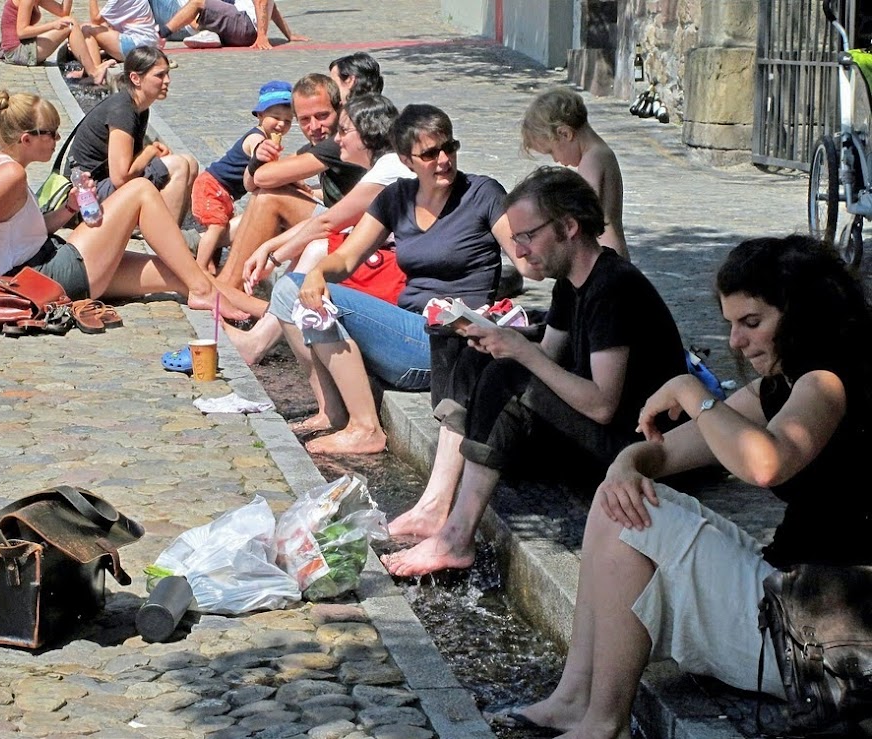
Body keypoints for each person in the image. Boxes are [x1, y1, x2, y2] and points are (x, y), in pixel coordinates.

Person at [496, 235, 872, 739]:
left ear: (802, 314)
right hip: (797, 605)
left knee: (624, 512)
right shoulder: (783, 385)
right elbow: (669, 451)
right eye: (731, 324)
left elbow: (766, 464)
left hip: (823, 635)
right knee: (623, 499)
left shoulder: (827, 382)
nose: (736, 341)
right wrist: (629, 463)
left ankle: (601, 721)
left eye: (752, 323)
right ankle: (575, 700)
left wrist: (691, 391)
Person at [382, 166, 686, 577]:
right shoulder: (571, 282)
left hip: (631, 449)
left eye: (527, 236)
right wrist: (492, 335)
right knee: (479, 356)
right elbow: (549, 352)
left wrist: (519, 352)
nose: (519, 250)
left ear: (569, 227)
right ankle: (438, 505)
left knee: (509, 376)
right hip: (594, 432)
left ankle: (456, 537)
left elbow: (602, 405)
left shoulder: (614, 288)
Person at [266, 104, 535, 455]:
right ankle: (333, 411)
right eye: (429, 154)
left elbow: (526, 260)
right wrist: (317, 272)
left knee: (292, 289)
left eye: (448, 148)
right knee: (293, 290)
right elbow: (347, 258)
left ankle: (365, 429)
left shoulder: (481, 193)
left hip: (445, 345)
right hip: (405, 331)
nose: (443, 160)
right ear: (407, 161)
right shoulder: (396, 197)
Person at [0, 90, 232, 326]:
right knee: (141, 189)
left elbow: (20, 231)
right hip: (41, 277)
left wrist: (68, 209)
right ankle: (208, 293)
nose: (57, 140)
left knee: (178, 272)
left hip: (46, 262)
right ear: (27, 139)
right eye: (51, 135)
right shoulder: (9, 175)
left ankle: (251, 321)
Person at [224, 93, 412, 373]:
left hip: (400, 278)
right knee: (315, 243)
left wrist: (274, 258)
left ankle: (256, 337)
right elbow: (333, 219)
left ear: (368, 134)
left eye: (343, 131)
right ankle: (249, 308)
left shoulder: (388, 168)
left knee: (318, 249)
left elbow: (328, 224)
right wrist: (270, 247)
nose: (336, 140)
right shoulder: (384, 166)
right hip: (389, 264)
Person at [214, 74, 366, 300]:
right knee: (263, 196)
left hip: (360, 232)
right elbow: (251, 183)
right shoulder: (317, 145)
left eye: (322, 116)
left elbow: (263, 179)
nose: (314, 126)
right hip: (342, 222)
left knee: (270, 198)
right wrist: (257, 160)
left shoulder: (337, 143)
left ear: (339, 109)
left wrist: (260, 165)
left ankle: (227, 288)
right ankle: (227, 284)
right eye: (305, 119)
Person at [68, 47, 198, 226]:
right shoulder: (123, 110)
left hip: (102, 187)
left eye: (167, 74)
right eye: (160, 75)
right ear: (136, 78)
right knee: (178, 165)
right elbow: (120, 177)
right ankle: (165, 241)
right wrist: (150, 151)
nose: (167, 81)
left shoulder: (139, 107)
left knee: (190, 163)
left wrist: (149, 154)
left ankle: (166, 231)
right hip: (87, 198)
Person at [191, 80, 294, 274]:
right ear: (260, 116)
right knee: (216, 227)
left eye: (288, 120)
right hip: (212, 185)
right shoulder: (257, 138)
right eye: (275, 117)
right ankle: (200, 267)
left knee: (221, 226)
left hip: (226, 191)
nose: (281, 124)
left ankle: (212, 265)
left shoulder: (268, 140)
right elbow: (257, 152)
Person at [522, 87, 628, 260]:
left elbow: (582, 211)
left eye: (551, 151)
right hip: (612, 253)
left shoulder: (591, 160)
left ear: (565, 133)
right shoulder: (601, 152)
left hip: (603, 257)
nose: (555, 159)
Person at [0, 0, 116, 85]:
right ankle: (93, 72)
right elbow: (22, 32)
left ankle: (90, 69)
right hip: (17, 51)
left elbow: (63, 11)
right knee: (70, 25)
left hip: (24, 44)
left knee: (69, 23)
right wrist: (52, 25)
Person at [156, 0, 308, 50]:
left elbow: (262, 2)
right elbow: (272, 8)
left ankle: (159, 35)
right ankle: (210, 33)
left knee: (198, 2)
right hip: (245, 27)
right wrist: (289, 34)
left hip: (244, 24)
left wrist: (262, 36)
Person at [85, 0, 161, 62]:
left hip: (136, 46)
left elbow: (95, 20)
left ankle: (95, 71)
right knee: (103, 25)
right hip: (148, 43)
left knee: (86, 29)